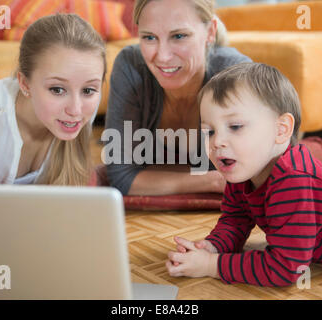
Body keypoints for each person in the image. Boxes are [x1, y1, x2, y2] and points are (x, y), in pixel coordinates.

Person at [166, 63, 322, 287]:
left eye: (236, 126)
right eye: (209, 131)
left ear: (281, 130)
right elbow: (235, 220)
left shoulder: (294, 180)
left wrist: (211, 265)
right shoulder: (243, 169)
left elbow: (285, 269)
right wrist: (212, 247)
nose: (217, 141)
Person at [0, 14, 106, 186]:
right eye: (57, 89)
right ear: (25, 84)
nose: (75, 110)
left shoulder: (85, 105)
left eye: (88, 90)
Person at [103, 0, 251, 196]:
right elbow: (121, 176)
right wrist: (213, 180)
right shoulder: (131, 66)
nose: (162, 56)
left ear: (210, 32)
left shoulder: (234, 74)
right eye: (149, 37)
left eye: (179, 36)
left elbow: (258, 170)